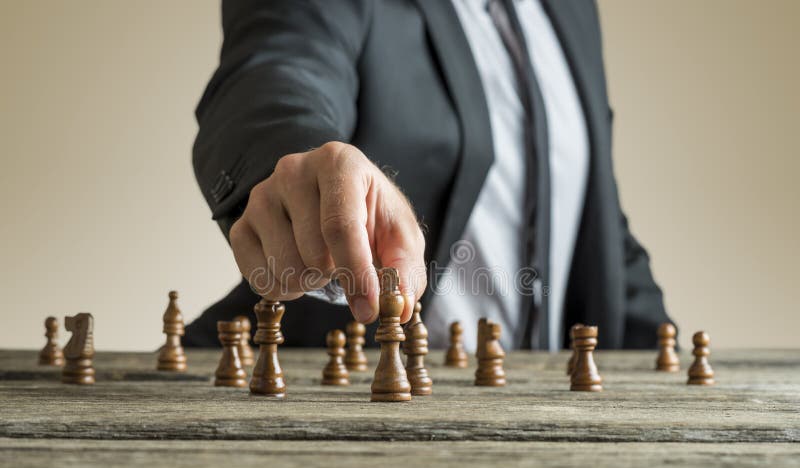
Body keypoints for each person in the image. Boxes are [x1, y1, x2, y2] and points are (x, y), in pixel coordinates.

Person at [184, 0, 672, 351]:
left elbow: (594, 223)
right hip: (344, 418)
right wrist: (301, 161)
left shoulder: (573, 12)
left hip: (535, 437)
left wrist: (669, 364)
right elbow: (280, 69)